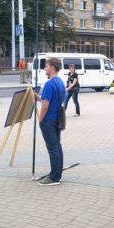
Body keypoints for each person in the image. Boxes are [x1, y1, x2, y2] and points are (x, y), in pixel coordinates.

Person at [34, 57, 66, 186]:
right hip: (57, 118)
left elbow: (46, 106)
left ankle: (54, 178)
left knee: (52, 148)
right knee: (57, 146)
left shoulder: (49, 84)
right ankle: (57, 174)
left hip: (49, 120)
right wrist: (40, 98)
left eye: (46, 66)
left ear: (52, 67)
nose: (44, 68)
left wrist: (40, 119)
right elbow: (52, 101)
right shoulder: (60, 82)